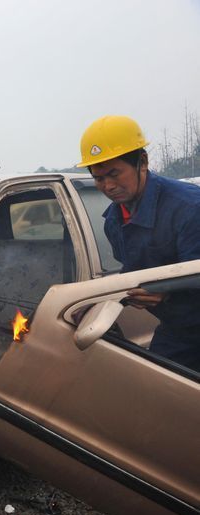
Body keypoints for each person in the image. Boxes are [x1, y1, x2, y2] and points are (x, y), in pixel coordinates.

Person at [77, 115, 200, 370]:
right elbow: (132, 272)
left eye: (114, 174)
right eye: (99, 178)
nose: (108, 186)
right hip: (179, 329)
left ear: (142, 162)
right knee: (156, 385)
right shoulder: (113, 221)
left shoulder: (190, 208)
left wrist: (167, 295)